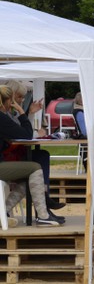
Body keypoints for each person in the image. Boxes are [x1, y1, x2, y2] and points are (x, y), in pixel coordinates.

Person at [0, 85, 63, 227]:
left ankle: (4, 211)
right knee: (34, 168)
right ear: (8, 101)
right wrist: (22, 111)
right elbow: (26, 134)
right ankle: (43, 215)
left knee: (30, 175)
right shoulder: (1, 118)